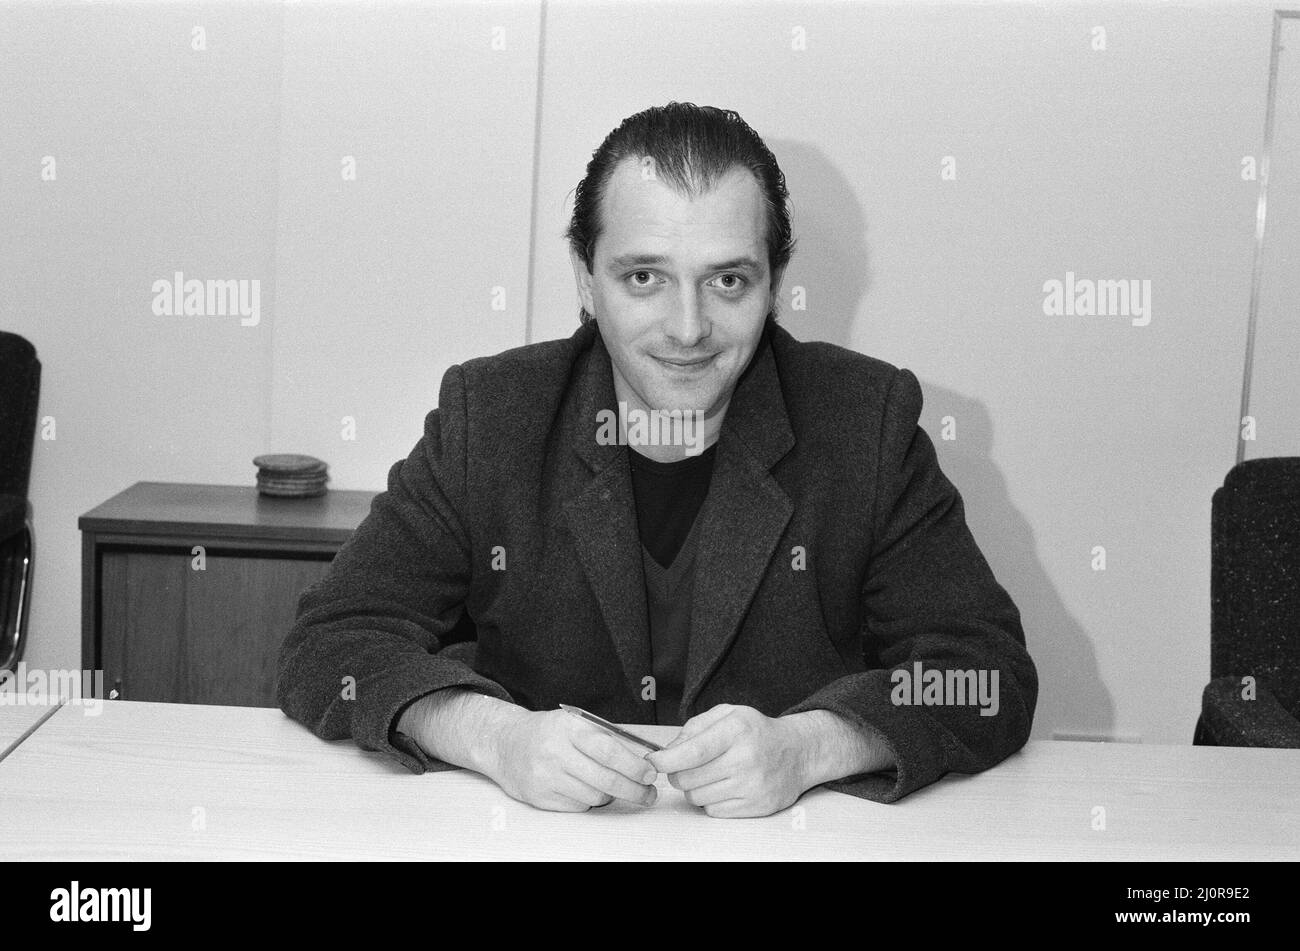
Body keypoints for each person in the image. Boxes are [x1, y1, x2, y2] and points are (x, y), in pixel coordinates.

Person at [277, 102, 1038, 818]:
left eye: (728, 280)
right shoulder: (493, 416)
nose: (687, 328)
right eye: (644, 277)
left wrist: (814, 746)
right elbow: (328, 645)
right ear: (585, 277)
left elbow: (986, 676)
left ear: (775, 284)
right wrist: (492, 735)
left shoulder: (865, 423)